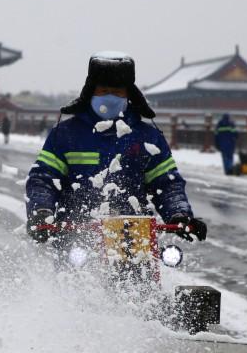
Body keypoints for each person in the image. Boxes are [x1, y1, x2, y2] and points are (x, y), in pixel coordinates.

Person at [25, 51, 206, 244]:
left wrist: (179, 214)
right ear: (90, 92)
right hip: (75, 235)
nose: (110, 97)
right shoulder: (65, 134)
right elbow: (43, 178)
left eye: (118, 92)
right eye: (103, 91)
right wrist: (41, 212)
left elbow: (167, 183)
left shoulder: (148, 137)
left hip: (134, 237)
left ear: (129, 95)